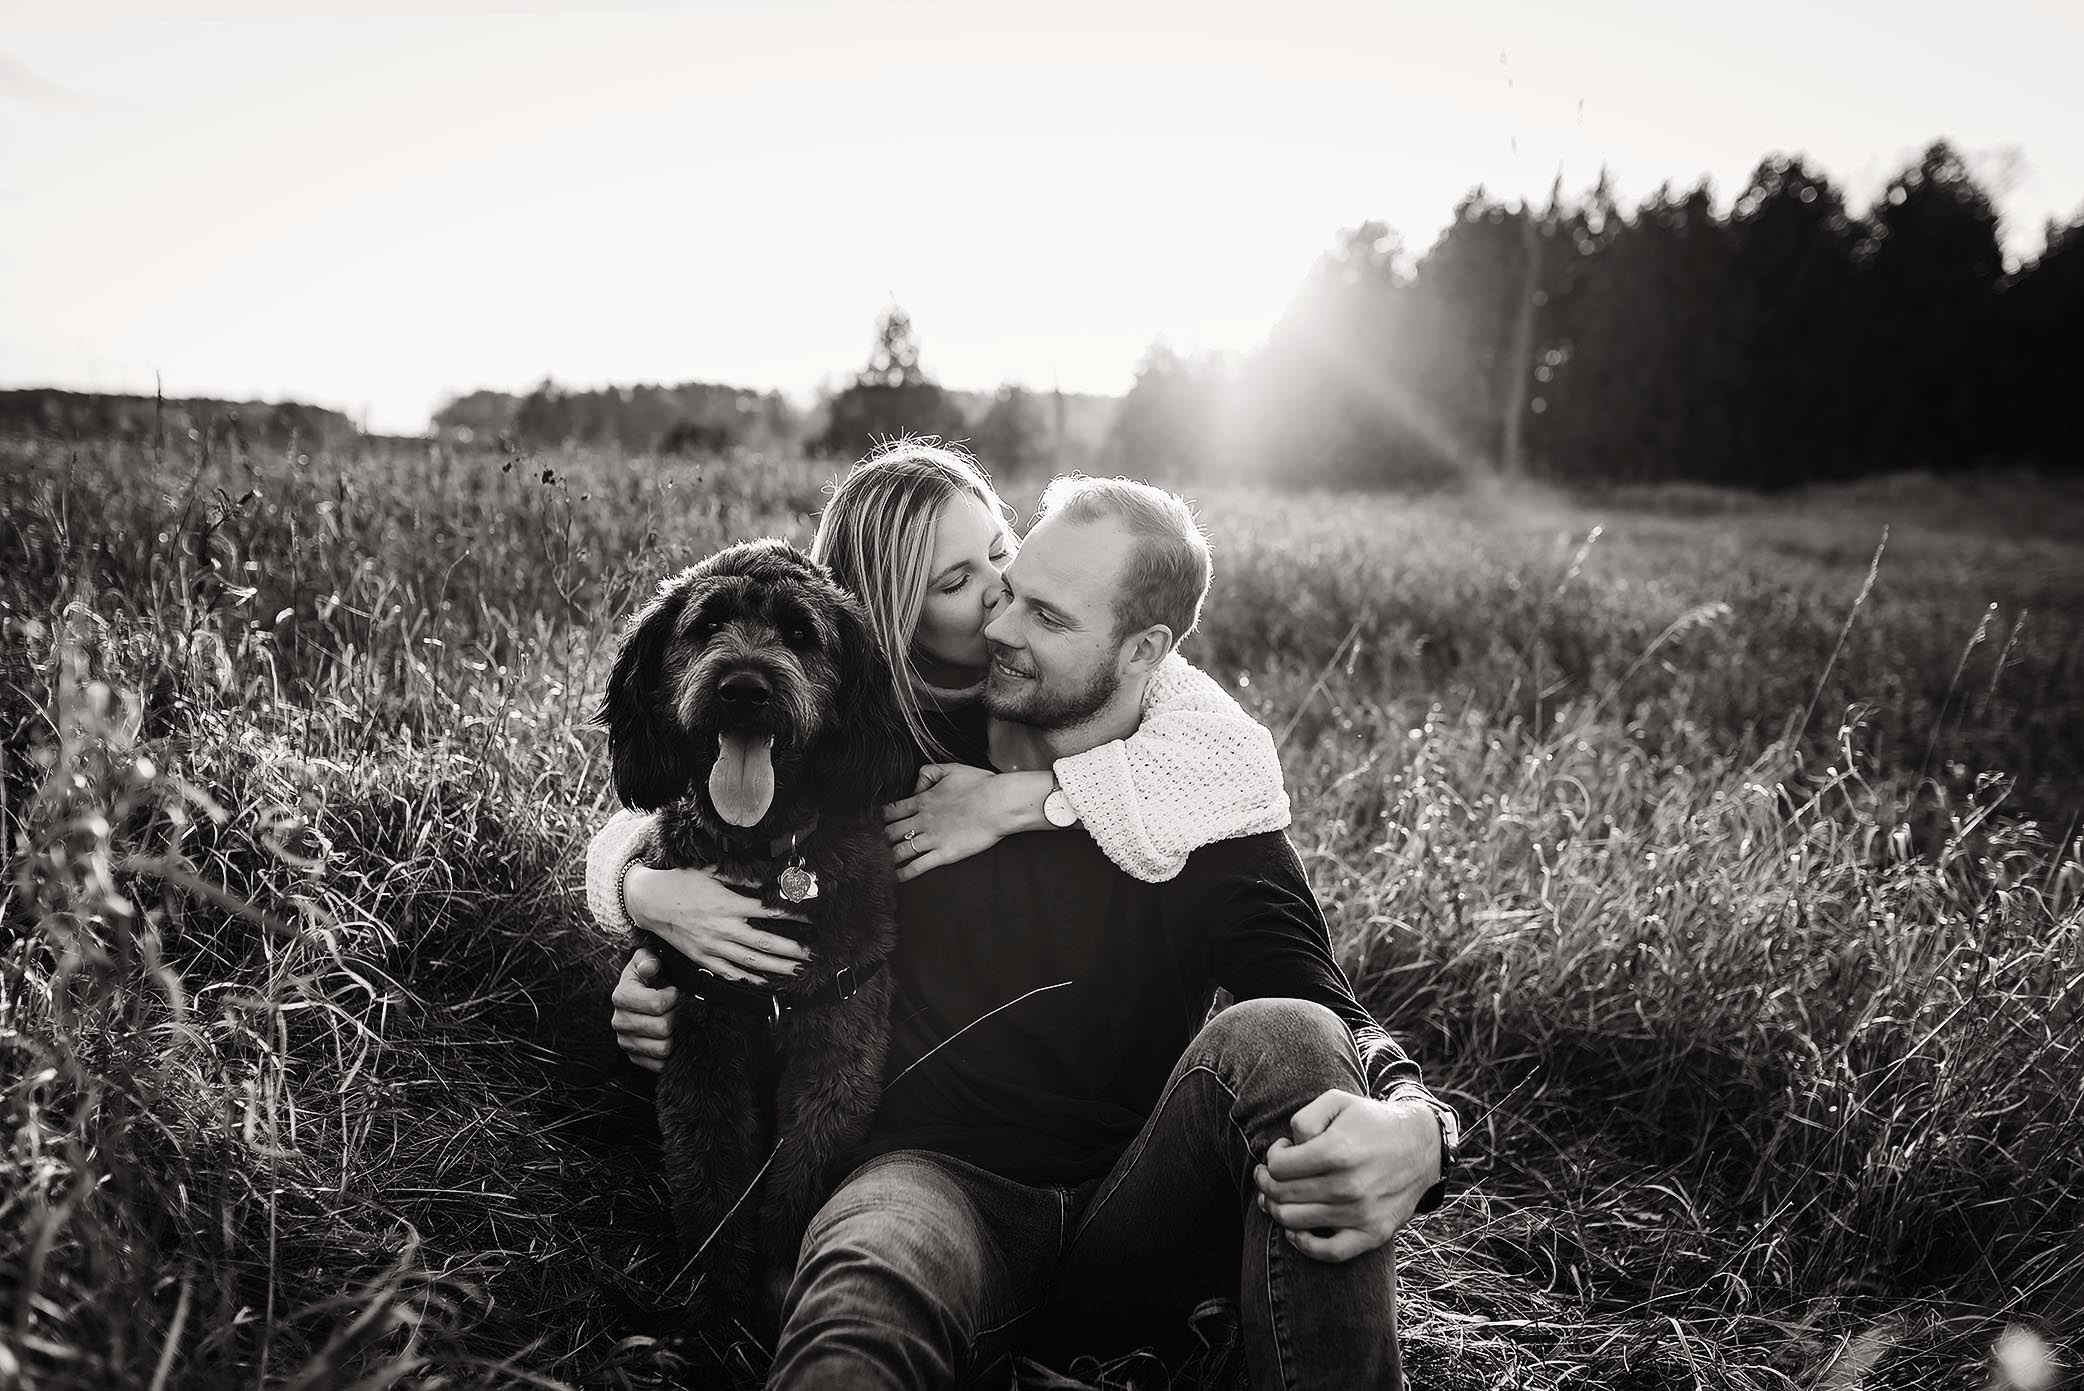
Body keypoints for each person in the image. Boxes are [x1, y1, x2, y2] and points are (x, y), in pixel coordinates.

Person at [600, 468, 1460, 1389]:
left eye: (1042, 613)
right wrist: (637, 890)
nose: (1000, 625)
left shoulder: (1202, 795)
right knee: (864, 1292)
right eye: (1000, 590)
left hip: (1139, 1210)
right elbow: (700, 799)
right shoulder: (895, 755)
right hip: (932, 1187)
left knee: (1288, 1033)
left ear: (1145, 653)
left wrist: (1421, 1124)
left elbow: (1331, 1007)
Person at [589, 437, 1291, 1022]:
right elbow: (660, 813)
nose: (999, 589)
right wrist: (642, 894)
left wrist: (1016, 801)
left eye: (1000, 550)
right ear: (884, 617)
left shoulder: (1095, 677)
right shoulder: (858, 726)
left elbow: (1242, 768)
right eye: (954, 583)